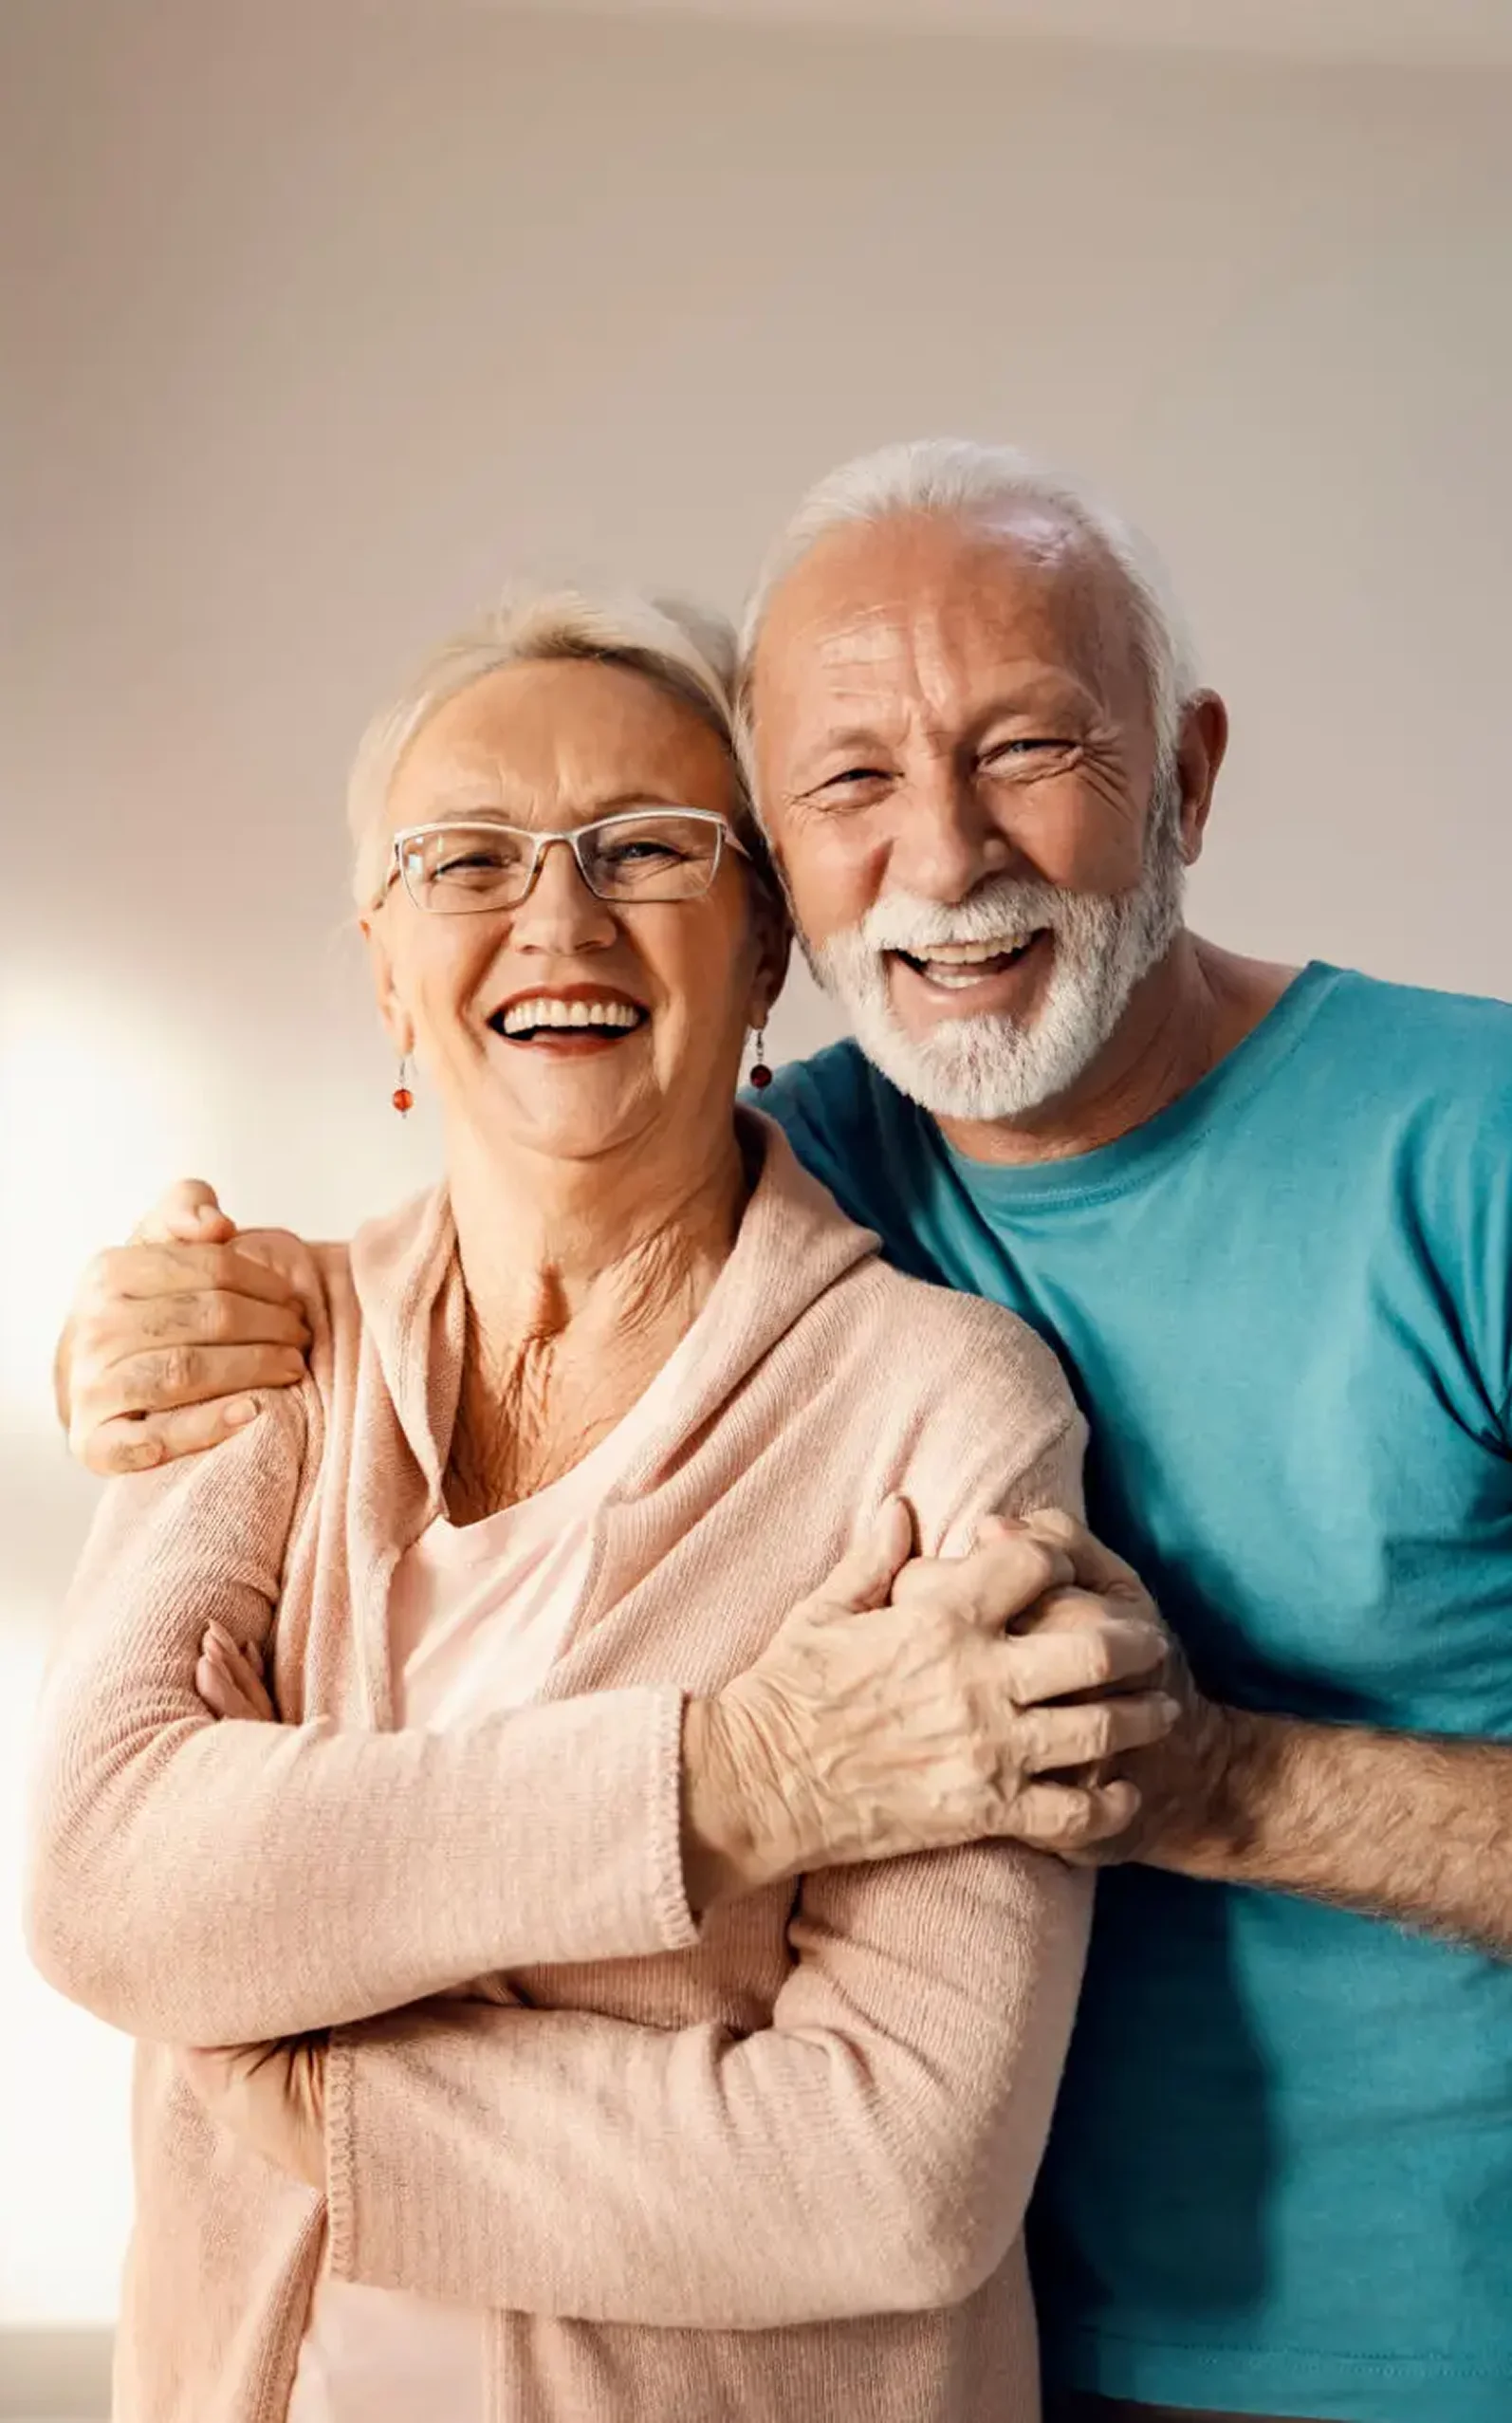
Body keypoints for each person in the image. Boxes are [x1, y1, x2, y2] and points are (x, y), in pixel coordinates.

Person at [56, 439, 1512, 2423]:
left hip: (1432, 2347)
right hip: (1046, 2339)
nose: (940, 856)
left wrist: (1204, 1778)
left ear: (1180, 775)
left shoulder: (1436, 1165)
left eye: (1027, 751)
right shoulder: (370, 1309)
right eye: (846, 783)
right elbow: (103, 1877)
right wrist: (154, 1335)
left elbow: (888, 2166)